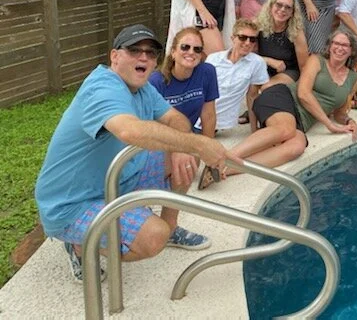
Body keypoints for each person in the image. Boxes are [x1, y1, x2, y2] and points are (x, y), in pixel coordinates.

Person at [34, 24, 236, 282]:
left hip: (113, 179)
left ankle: (171, 226)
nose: (144, 57)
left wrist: (183, 148)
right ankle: (80, 245)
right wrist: (197, 144)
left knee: (185, 156)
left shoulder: (143, 89)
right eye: (134, 50)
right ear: (114, 56)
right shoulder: (102, 87)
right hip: (71, 203)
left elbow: (175, 118)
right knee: (153, 237)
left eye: (151, 53)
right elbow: (129, 130)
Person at [198, 30, 357, 188]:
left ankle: (225, 170)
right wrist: (329, 125)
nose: (339, 48)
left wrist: (350, 121)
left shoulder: (354, 79)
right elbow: (303, 94)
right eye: (335, 43)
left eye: (345, 45)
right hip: (283, 97)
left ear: (352, 50)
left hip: (301, 120)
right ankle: (220, 158)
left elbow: (340, 112)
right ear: (330, 45)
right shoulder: (317, 61)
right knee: (285, 128)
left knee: (297, 146)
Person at [149, 27, 219, 138]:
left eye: (197, 49)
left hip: (188, 136)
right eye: (185, 47)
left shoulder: (207, 72)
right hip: (161, 139)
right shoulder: (155, 82)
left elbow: (208, 115)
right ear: (173, 52)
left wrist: (208, 145)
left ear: (201, 54)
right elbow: (148, 124)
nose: (191, 52)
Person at [206, 19, 269, 131]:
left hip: (216, 123)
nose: (248, 43)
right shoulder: (213, 59)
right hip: (197, 113)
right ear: (233, 38)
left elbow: (252, 97)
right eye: (242, 37)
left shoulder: (257, 63)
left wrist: (254, 129)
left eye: (252, 39)